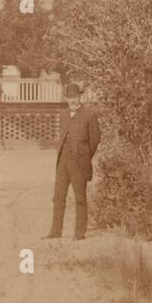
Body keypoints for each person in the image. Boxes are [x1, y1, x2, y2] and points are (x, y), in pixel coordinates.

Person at [46, 82, 101, 240]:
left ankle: (79, 233)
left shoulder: (89, 115)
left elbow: (95, 140)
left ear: (80, 97)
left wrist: (85, 155)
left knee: (80, 198)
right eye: (70, 98)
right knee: (58, 197)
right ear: (66, 99)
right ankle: (55, 232)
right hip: (63, 161)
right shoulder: (63, 114)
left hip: (79, 162)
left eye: (76, 97)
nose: (73, 101)